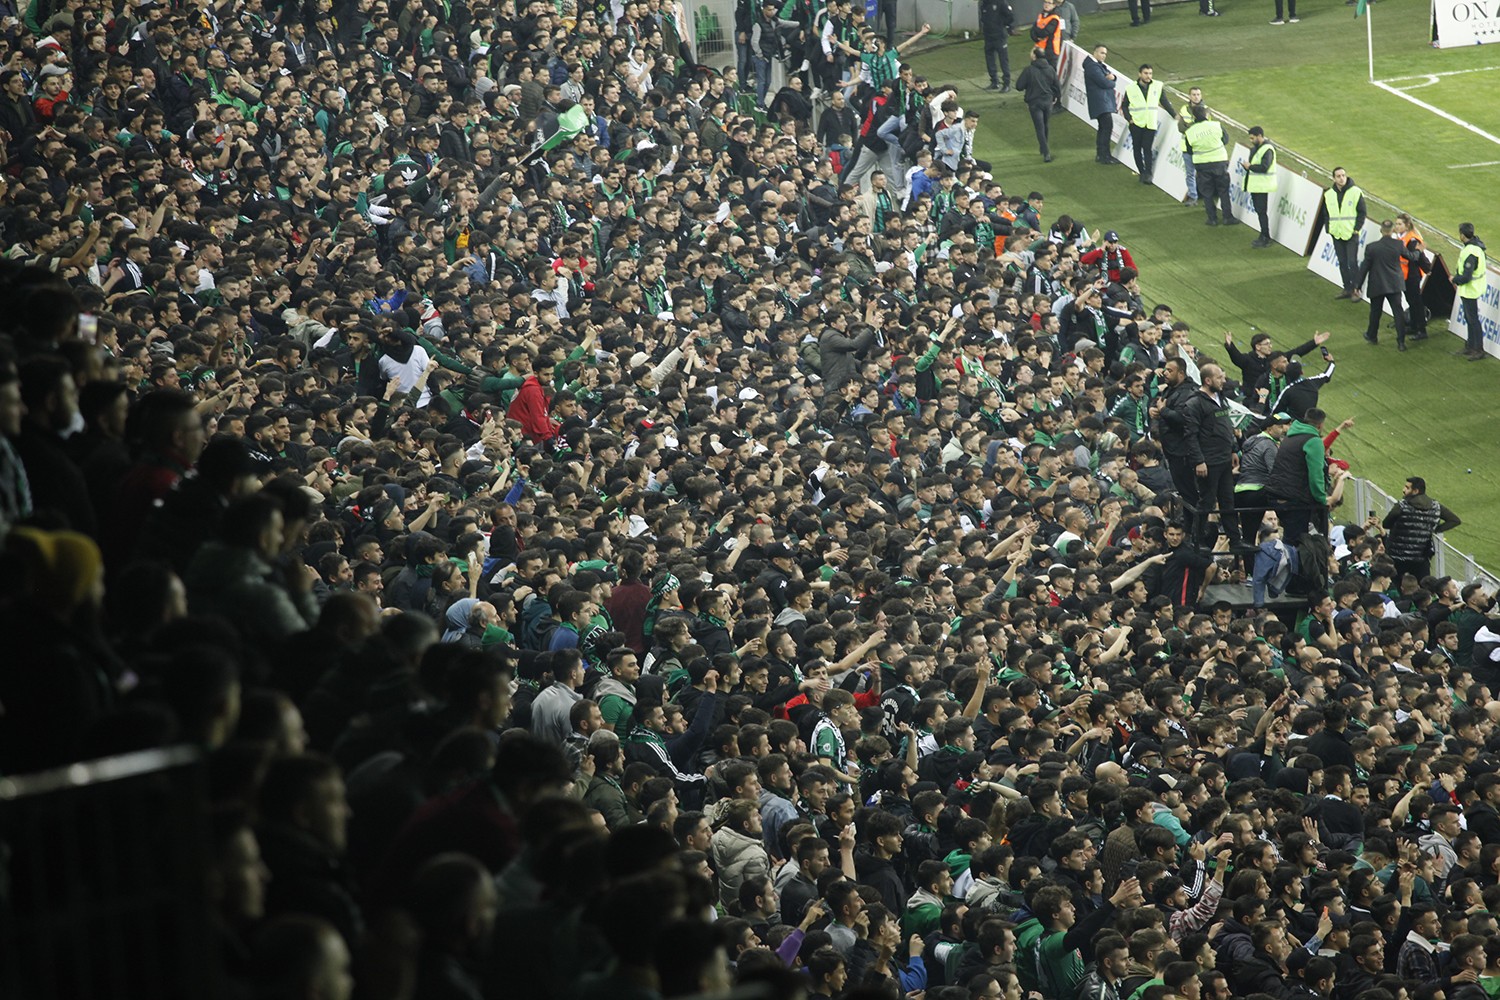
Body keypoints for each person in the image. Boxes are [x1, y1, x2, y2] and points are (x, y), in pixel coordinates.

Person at [1266, 407, 1331, 544]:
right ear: (1320, 425)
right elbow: (1316, 475)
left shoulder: (1290, 437)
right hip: (1294, 498)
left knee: (1290, 539)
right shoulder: (1313, 441)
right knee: (1297, 543)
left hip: (1276, 494)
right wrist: (1321, 499)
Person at [1382, 477, 1462, 581]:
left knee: (1396, 588)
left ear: (1415, 491)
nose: (1403, 490)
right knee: (1424, 588)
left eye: (1407, 487)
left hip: (1397, 557)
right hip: (1421, 558)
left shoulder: (1402, 505)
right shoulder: (1436, 506)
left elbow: (1386, 524)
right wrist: (1434, 529)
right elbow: (1454, 520)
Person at [1356, 219, 1416, 350]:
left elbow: (1364, 268)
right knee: (1398, 312)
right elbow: (1411, 257)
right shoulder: (1398, 245)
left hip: (1377, 284)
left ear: (1381, 231)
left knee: (1375, 312)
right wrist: (1418, 252)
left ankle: (1372, 335)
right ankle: (1401, 342)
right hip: (1394, 284)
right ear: (1392, 230)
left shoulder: (1372, 247)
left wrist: (1357, 286)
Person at [1182, 105, 1234, 227]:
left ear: (1194, 116)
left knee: (1207, 192)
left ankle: (1212, 219)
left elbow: (1189, 150)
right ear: (1206, 115)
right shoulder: (1216, 125)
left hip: (1202, 165)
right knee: (1223, 191)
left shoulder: (1190, 132)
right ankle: (1227, 217)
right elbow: (1226, 140)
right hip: (1219, 162)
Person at [1122, 65, 1173, 184]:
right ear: (1140, 74)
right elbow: (1124, 105)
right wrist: (1129, 119)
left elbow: (1164, 101)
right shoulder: (1130, 88)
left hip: (1150, 124)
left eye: (1150, 73)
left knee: (1147, 149)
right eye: (1146, 73)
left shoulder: (1157, 85)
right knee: (1137, 148)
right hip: (1136, 124)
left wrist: (1174, 115)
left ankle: (1148, 173)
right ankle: (1142, 172)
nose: (1148, 76)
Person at [1324, 168, 1367, 301]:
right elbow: (1326, 213)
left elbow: (1362, 212)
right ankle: (1347, 288)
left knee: (1352, 262)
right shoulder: (1329, 194)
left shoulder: (1355, 192)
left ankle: (1356, 290)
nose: (1341, 178)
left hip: (1351, 234)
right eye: (1338, 176)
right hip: (1336, 233)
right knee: (1342, 262)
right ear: (1334, 178)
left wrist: (1356, 228)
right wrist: (1328, 228)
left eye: (1343, 175)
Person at [1017, 47, 1062, 163]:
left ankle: (1046, 152)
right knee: (1045, 124)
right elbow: (1056, 85)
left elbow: (1019, 86)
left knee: (1039, 127)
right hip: (1048, 101)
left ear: (1034, 56)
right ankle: (1043, 148)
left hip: (1034, 102)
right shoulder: (1051, 69)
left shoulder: (1029, 70)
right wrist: (1056, 97)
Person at [1453, 221, 1489, 360]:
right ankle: (1470, 345)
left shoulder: (1471, 251)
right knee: (1470, 318)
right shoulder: (1475, 246)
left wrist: (1454, 279)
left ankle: (1478, 349)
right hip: (1472, 288)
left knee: (1473, 319)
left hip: (1470, 289)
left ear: (1462, 235)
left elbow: (1467, 277)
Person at [1393, 214, 1430, 340]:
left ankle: (1421, 329)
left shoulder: (1412, 240)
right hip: (1404, 275)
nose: (1397, 226)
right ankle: (1414, 325)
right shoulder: (1401, 237)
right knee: (1411, 301)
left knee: (1416, 302)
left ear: (1407, 225)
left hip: (1412, 275)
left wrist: (1427, 269)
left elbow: (1419, 256)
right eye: (1396, 224)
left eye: (1399, 224)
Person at [1239, 126, 1277, 248]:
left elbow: (1264, 167)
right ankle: (1263, 234)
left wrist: (1250, 167)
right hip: (1256, 185)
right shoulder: (1256, 149)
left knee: (1261, 212)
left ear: (1260, 136)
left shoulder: (1267, 149)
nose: (1251, 140)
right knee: (1260, 211)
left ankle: (1266, 237)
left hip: (1262, 186)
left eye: (1252, 138)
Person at [1084, 45, 1120, 164]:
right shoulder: (1093, 67)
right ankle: (1105, 156)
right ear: (1094, 52)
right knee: (1106, 128)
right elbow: (1104, 83)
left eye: (1105, 54)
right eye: (1101, 53)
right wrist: (1112, 81)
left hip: (1101, 102)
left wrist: (1112, 78)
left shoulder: (1095, 66)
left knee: (1103, 128)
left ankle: (1101, 155)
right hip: (1101, 103)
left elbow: (1109, 77)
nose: (1104, 56)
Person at [1175, 87, 1206, 205]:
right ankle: (1193, 196)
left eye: (1198, 94)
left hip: (1201, 148)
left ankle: (1204, 194)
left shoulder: (1206, 110)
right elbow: (1180, 127)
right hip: (1187, 147)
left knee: (1203, 173)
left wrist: (1189, 127)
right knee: (1190, 173)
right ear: (1189, 96)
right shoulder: (1184, 109)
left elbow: (1204, 127)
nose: (1196, 97)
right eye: (1193, 94)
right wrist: (1193, 128)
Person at [979, 0, 1015, 91]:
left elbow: (1010, 16)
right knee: (989, 59)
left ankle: (1006, 84)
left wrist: (1001, 24)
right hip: (988, 37)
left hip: (1000, 36)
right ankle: (994, 82)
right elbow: (983, 19)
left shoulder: (1001, 2)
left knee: (1003, 60)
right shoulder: (984, 4)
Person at [1030, 0, 1065, 67]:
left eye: (1049, 3)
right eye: (1045, 2)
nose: (1046, 4)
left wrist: (1037, 31)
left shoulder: (1054, 18)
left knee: (1050, 72)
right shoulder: (1041, 15)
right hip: (1039, 48)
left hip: (1051, 51)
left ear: (1054, 5)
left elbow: (1044, 33)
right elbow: (1032, 30)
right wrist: (1036, 38)